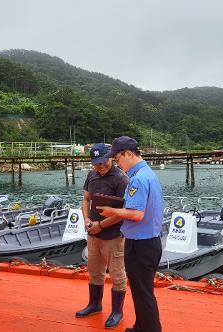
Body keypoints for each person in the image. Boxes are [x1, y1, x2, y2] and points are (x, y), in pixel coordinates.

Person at [98, 136, 164, 332]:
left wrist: (113, 211)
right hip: (147, 242)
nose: (117, 164)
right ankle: (140, 327)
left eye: (117, 159)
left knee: (144, 294)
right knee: (140, 291)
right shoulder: (147, 173)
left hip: (141, 245)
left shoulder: (138, 179)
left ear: (128, 154)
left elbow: (136, 214)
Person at [76, 143, 129, 328]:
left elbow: (123, 210)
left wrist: (101, 225)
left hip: (114, 235)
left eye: (104, 162)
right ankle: (95, 304)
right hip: (93, 232)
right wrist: (86, 219)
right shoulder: (91, 175)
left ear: (111, 157)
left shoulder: (121, 179)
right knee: (94, 271)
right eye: (97, 163)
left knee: (117, 274)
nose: (101, 166)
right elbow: (85, 199)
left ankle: (117, 311)